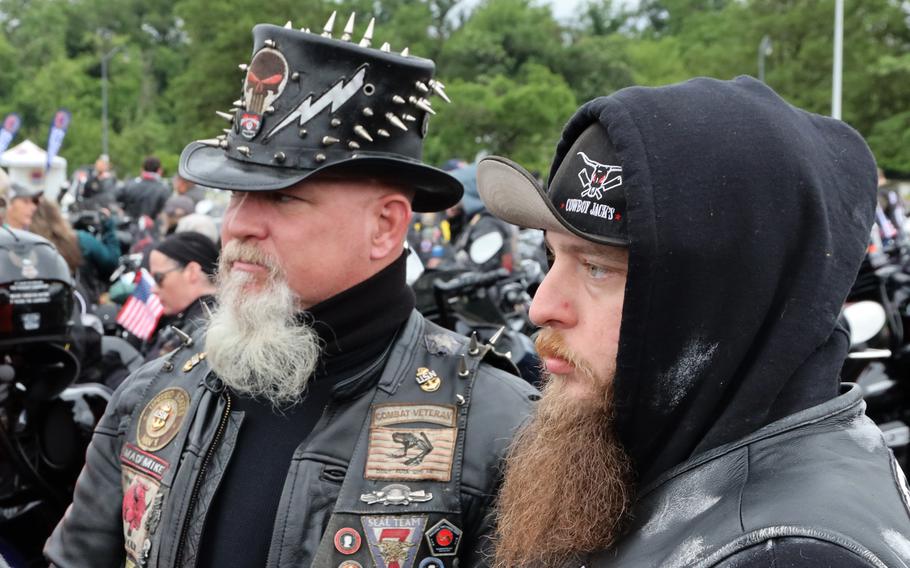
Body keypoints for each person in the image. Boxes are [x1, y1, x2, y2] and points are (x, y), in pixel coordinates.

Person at [45, 14, 536, 568]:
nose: (239, 226)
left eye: (283, 198)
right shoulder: (153, 395)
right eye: (234, 194)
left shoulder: (499, 434)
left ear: (385, 226)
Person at [478, 76, 910, 568]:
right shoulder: (658, 452)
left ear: (722, 301)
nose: (541, 306)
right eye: (552, 256)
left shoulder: (785, 554)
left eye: (597, 267)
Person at [146, 231, 218, 357]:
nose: (153, 289)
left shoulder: (205, 331)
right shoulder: (196, 318)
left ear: (192, 272)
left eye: (158, 278)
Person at [118, 155, 169, 221]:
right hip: (153, 228)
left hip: (128, 227)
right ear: (159, 170)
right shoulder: (164, 189)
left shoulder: (129, 185)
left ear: (142, 169)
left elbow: (116, 201)